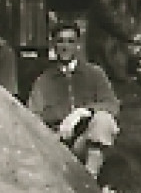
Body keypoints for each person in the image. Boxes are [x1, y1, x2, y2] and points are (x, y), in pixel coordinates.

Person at [27, 21, 121, 183]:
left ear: (78, 45)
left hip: (87, 142)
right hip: (58, 146)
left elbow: (112, 105)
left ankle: (90, 180)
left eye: (70, 41)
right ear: (53, 45)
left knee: (103, 120)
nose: (65, 46)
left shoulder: (94, 73)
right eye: (60, 41)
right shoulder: (44, 80)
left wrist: (82, 112)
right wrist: (57, 127)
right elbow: (31, 116)